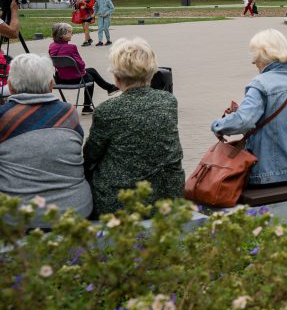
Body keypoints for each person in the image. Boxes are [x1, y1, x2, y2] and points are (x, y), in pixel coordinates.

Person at [84, 38, 184, 216]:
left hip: (120, 201)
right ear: (152, 73)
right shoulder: (168, 101)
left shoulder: (107, 110)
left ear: (116, 77)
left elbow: (90, 155)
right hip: (167, 196)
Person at [211, 29, 287, 186]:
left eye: (255, 55)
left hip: (269, 174)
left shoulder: (260, 83)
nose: (253, 61)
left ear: (264, 54)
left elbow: (242, 122)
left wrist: (217, 125)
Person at [0, 54, 93, 220]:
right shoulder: (68, 113)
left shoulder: (3, 117)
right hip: (75, 210)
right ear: (52, 84)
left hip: (16, 215)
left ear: (10, 86)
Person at [49, 23, 119, 113]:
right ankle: (87, 106)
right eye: (70, 32)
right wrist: (82, 70)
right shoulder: (71, 47)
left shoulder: (52, 46)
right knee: (90, 77)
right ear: (62, 35)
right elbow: (81, 64)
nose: (72, 34)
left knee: (92, 70)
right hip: (75, 79)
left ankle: (110, 88)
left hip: (60, 78)